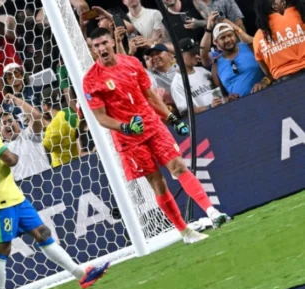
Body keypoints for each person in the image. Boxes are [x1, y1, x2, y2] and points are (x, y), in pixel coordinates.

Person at [0, 82, 109, 289]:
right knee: (1, 249)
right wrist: (18, 155)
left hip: (13, 196)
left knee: (42, 233)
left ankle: (81, 275)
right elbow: (10, 160)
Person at [83, 28, 230, 244]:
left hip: (152, 125)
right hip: (129, 139)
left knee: (179, 166)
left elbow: (150, 96)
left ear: (112, 42)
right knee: (158, 183)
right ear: (92, 48)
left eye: (104, 43)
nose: (101, 48)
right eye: (96, 46)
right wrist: (125, 127)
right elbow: (101, 118)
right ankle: (185, 231)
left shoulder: (132, 64)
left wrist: (172, 118)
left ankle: (211, 212)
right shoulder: (91, 80)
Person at [209, 22, 267, 97]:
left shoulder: (250, 47)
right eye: (222, 38)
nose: (227, 40)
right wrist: (228, 99)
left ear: (235, 35)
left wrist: (264, 82)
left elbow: (271, 70)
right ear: (216, 42)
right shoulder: (216, 65)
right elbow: (222, 96)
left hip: (265, 94)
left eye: (230, 35)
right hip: (239, 105)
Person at [253, 0, 305, 82]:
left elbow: (267, 71)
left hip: (284, 84)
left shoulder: (257, 37)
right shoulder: (301, 17)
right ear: (274, 6)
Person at [171, 38, 221, 115]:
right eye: (192, 54)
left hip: (221, 111)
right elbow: (186, 111)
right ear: (181, 56)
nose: (197, 56)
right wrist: (209, 107)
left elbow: (219, 89)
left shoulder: (202, 71)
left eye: (196, 53)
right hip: (203, 119)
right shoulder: (177, 83)